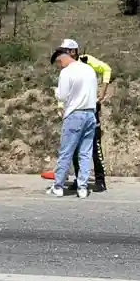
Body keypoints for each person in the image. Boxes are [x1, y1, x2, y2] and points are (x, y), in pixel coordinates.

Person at [56, 39, 111, 192]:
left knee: (93, 146)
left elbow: (106, 69)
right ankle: (80, 180)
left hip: (89, 109)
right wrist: (61, 107)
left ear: (73, 52)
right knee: (74, 148)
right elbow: (66, 90)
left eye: (64, 51)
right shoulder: (66, 67)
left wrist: (103, 90)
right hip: (73, 110)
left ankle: (100, 180)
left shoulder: (87, 61)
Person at [46, 47, 98, 199]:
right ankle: (82, 188)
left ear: (62, 58)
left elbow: (62, 96)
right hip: (90, 114)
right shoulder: (89, 70)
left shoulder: (66, 72)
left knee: (66, 152)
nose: (59, 66)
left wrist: (56, 91)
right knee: (85, 153)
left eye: (58, 62)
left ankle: (58, 186)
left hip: (75, 115)